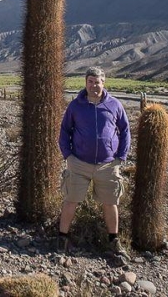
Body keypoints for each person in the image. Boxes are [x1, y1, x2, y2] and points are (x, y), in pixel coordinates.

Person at [57, 66, 131, 259]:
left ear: (103, 82)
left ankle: (113, 240)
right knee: (71, 200)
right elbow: (65, 131)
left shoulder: (114, 105)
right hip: (79, 163)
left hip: (107, 165)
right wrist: (68, 156)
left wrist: (120, 157)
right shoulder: (76, 106)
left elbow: (125, 131)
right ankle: (62, 237)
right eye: (90, 81)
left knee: (110, 202)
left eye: (97, 81)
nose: (93, 85)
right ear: (86, 83)